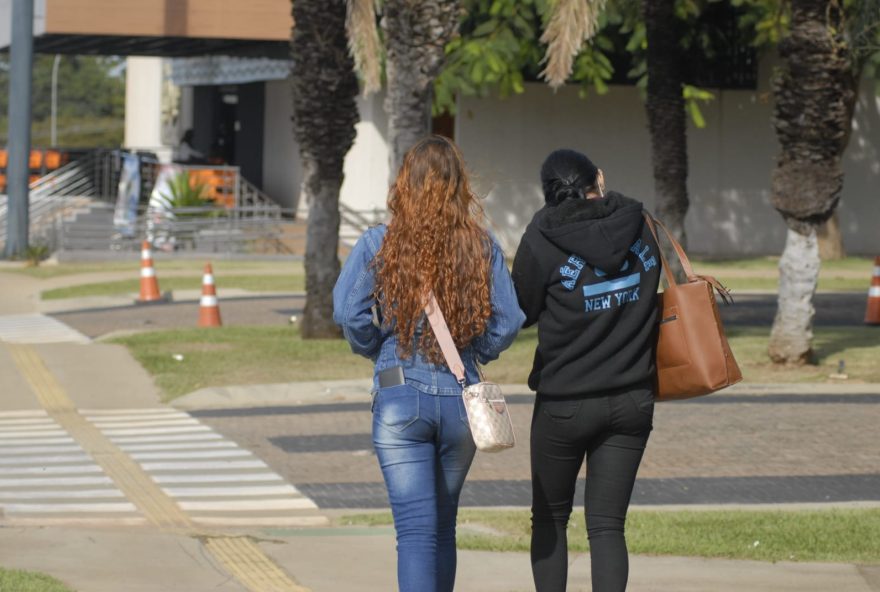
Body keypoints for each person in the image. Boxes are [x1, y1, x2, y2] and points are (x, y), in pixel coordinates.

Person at [333, 135, 524, 592]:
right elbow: (510, 319)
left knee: (416, 532)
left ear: (405, 183)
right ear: (459, 185)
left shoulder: (381, 241)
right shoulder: (480, 244)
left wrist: (375, 345)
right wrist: (477, 353)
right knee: (442, 526)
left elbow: (346, 312)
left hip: (400, 393)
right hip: (461, 398)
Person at [511, 149, 661, 592]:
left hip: (565, 403)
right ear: (599, 176)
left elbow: (523, 308)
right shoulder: (640, 222)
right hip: (633, 399)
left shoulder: (542, 234)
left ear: (550, 194)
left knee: (551, 520)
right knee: (608, 527)